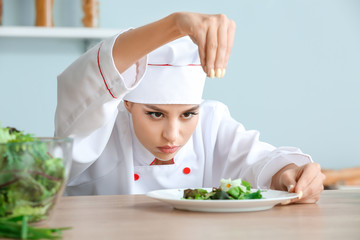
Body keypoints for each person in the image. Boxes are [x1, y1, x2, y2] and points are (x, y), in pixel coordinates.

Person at [55, 12, 325, 203]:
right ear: (128, 102)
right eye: (155, 114)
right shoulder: (101, 128)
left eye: (188, 114)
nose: (172, 135)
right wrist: (175, 24)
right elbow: (86, 86)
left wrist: (289, 176)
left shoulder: (212, 121)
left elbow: (257, 161)